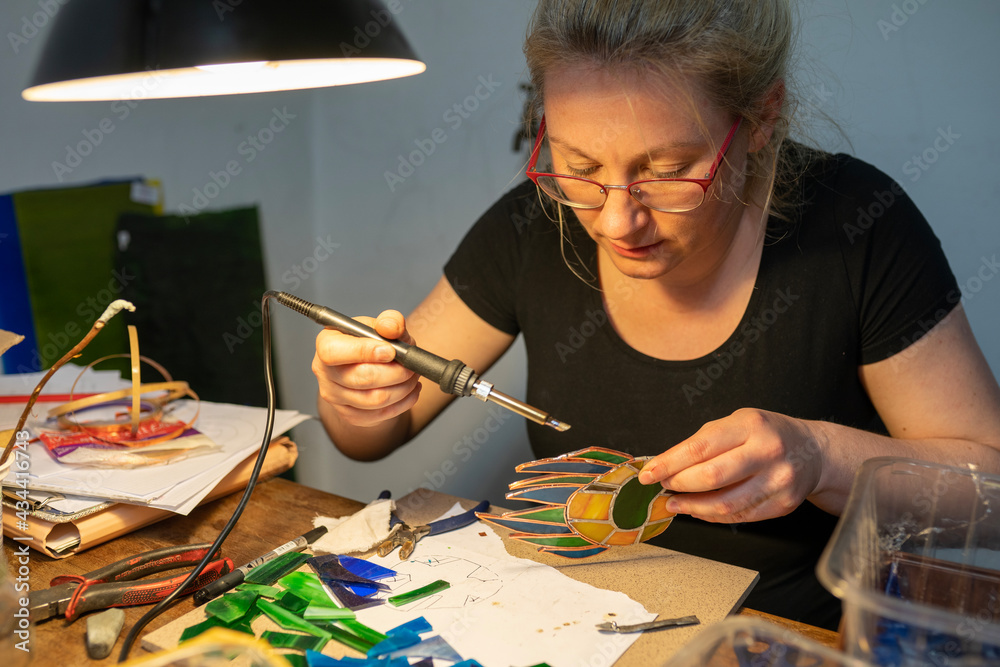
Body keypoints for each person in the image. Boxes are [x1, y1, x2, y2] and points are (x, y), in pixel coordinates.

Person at [312, 0, 1000, 629]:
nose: (615, 220)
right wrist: (357, 396)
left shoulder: (858, 227)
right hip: (574, 624)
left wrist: (819, 457)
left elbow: (990, 493)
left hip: (783, 637)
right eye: (578, 164)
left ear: (761, 119)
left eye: (667, 170)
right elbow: (369, 433)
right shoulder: (534, 226)